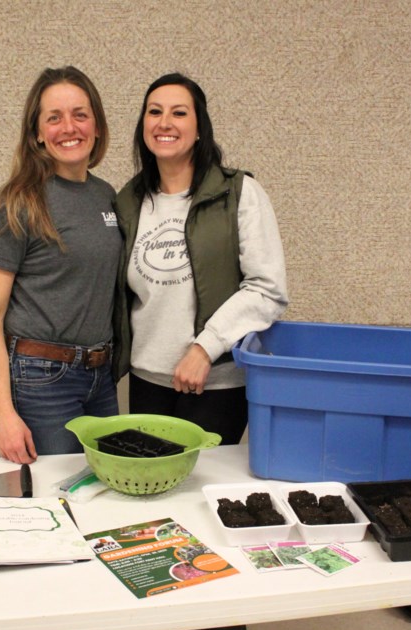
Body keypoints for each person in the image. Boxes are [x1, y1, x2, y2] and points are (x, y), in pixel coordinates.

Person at [114, 73, 289, 454]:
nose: (165, 123)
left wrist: (204, 348)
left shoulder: (239, 193)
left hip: (215, 384)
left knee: (200, 495)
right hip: (147, 383)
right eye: (154, 112)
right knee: (152, 491)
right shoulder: (129, 201)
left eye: (179, 112)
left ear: (199, 128)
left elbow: (267, 289)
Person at [0, 66, 121, 464]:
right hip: (42, 379)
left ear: (97, 125)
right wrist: (3, 415)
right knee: (58, 498)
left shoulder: (107, 196)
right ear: (37, 132)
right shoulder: (17, 201)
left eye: (80, 114)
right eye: (53, 118)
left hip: (100, 377)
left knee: (108, 493)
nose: (68, 127)